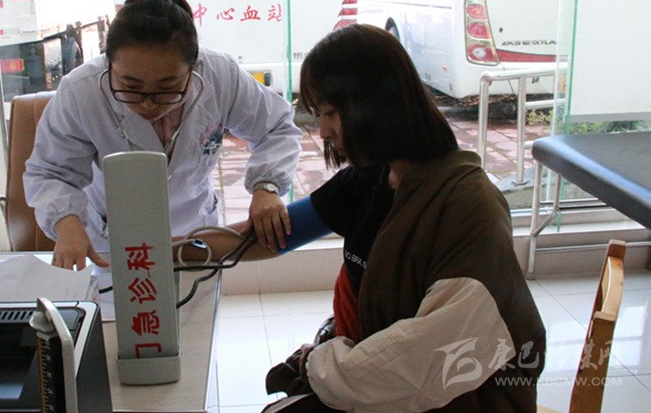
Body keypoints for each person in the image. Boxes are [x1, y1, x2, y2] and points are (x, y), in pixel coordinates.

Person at [183, 24, 546, 412]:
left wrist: (318, 363)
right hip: (381, 382)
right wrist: (170, 252)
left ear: (375, 104)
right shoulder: (374, 176)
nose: (323, 131)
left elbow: (427, 363)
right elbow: (270, 236)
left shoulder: (468, 205)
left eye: (330, 113)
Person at [23, 0, 302, 279]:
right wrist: (67, 222)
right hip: (111, 238)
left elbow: (277, 127)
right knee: (123, 306)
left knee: (194, 306)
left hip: (196, 233)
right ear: (108, 65)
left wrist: (267, 187)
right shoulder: (81, 91)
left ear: (195, 68)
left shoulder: (220, 74)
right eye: (130, 87)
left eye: (168, 88)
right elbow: (50, 171)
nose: (148, 103)